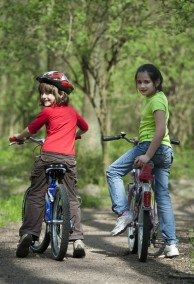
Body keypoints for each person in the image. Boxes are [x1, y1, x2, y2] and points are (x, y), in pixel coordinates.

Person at [9, 71, 88, 259]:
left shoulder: (47, 112)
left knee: (36, 195)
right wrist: (74, 134)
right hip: (68, 159)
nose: (44, 96)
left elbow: (31, 130)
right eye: (42, 93)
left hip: (48, 156)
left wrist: (17, 138)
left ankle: (29, 234)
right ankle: (77, 240)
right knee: (71, 198)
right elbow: (85, 127)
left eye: (49, 92)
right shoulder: (73, 112)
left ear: (61, 94)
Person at [106, 64, 179, 258]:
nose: (142, 85)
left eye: (147, 82)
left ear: (157, 82)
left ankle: (124, 213)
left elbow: (161, 129)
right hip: (164, 151)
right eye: (139, 82)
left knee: (112, 171)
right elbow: (155, 129)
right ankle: (171, 244)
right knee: (162, 196)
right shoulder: (157, 99)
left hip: (151, 149)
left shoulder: (156, 100)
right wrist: (142, 138)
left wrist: (146, 154)